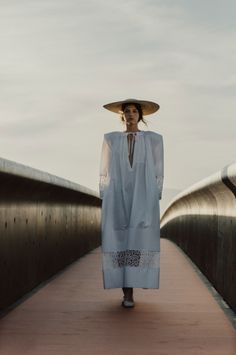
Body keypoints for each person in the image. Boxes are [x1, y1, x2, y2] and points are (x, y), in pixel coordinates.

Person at [99, 98, 164, 308]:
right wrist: (105, 196)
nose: (130, 114)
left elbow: (158, 171)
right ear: (122, 115)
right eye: (127, 111)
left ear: (140, 115)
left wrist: (154, 197)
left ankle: (134, 287)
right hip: (117, 197)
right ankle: (126, 292)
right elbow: (105, 172)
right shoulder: (111, 140)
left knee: (137, 240)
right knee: (119, 239)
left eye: (134, 111)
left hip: (142, 196)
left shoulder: (153, 140)